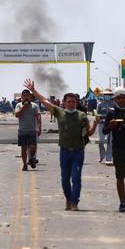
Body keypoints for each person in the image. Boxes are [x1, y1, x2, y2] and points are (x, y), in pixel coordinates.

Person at [24, 79, 98, 211]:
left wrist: (96, 124)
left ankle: (74, 202)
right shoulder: (59, 112)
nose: (71, 104)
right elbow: (44, 101)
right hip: (64, 152)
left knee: (76, 178)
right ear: (63, 103)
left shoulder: (82, 116)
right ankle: (68, 199)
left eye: (73, 102)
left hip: (78, 152)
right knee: (65, 180)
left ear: (76, 103)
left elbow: (89, 133)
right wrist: (33, 91)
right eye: (68, 102)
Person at [14, 89, 40, 171]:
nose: (26, 97)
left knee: (33, 147)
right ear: (22, 97)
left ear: (30, 97)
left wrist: (39, 127)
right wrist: (24, 107)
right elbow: (17, 115)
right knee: (23, 148)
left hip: (32, 130)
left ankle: (32, 158)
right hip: (22, 130)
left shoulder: (34, 105)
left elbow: (38, 116)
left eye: (27, 96)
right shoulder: (18, 105)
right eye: (24, 96)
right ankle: (24, 164)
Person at [96, 89, 114, 165]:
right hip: (102, 124)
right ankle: (102, 155)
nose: (107, 96)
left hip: (111, 125)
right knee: (101, 141)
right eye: (106, 95)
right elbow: (97, 114)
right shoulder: (100, 104)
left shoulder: (114, 104)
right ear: (103, 95)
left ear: (111, 96)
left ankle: (109, 158)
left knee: (110, 142)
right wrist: (99, 119)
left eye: (109, 95)